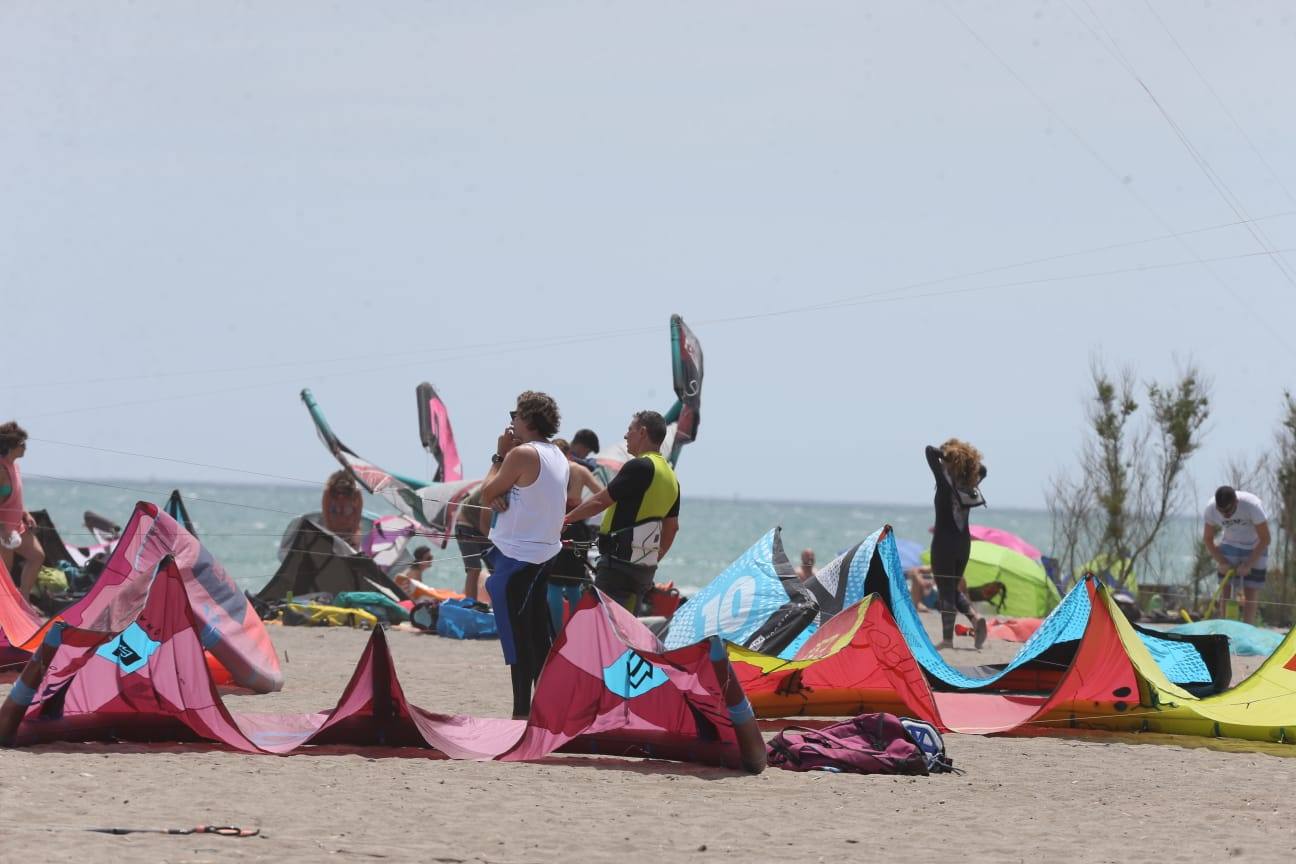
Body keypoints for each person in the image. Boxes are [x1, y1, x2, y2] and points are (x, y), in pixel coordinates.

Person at [480, 391, 568, 719]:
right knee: (536, 634)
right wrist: (502, 494)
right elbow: (511, 494)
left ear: (528, 420)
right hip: (544, 555)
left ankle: (521, 713)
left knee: (518, 640)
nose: (511, 420)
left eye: (515, 414)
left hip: (517, 558)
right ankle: (544, 709)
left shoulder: (520, 454)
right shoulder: (558, 454)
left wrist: (498, 456)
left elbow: (487, 491)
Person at [564, 411, 680, 615]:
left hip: (617, 566)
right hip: (643, 570)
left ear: (643, 432)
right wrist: (652, 559)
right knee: (626, 627)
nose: (626, 436)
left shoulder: (639, 466)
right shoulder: (672, 478)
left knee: (603, 625)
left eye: (630, 430)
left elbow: (600, 500)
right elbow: (672, 528)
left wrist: (565, 519)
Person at [926, 440, 987, 650]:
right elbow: (983, 469)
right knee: (951, 587)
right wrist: (965, 460)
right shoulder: (969, 485)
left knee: (945, 588)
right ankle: (975, 618)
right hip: (963, 543)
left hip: (944, 542)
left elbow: (929, 451)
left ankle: (947, 639)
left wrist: (948, 454)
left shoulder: (945, 481)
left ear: (951, 460)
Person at [543, 438, 605, 633]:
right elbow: (602, 494)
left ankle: (557, 632)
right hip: (576, 528)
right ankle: (576, 633)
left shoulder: (547, 472)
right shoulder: (579, 470)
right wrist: (584, 506)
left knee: (554, 583)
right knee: (573, 583)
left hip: (554, 527)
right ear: (570, 454)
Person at [1203, 485, 1270, 625]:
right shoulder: (1210, 509)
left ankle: (1248, 628)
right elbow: (1208, 539)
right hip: (1229, 546)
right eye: (1222, 512)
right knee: (1225, 588)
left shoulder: (1252, 505)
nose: (1226, 515)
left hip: (1255, 545)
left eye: (1229, 511)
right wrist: (1221, 561)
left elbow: (1265, 538)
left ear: (1236, 503)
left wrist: (1249, 564)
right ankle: (1224, 627)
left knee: (1250, 590)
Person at [0, 422, 43, 600]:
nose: (25, 447)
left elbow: (14, 495)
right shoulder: (1, 470)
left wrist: (25, 513)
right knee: (5, 575)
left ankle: (23, 601)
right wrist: (3, 529)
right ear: (12, 446)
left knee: (37, 556)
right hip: (4, 529)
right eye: (22, 444)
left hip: (17, 525)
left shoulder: (14, 466)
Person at [453, 486, 492, 602]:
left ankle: (498, 605)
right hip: (466, 525)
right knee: (474, 569)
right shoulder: (496, 485)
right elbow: (484, 523)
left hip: (483, 529)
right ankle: (471, 605)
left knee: (497, 571)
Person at [321, 470, 364, 550]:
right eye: (338, 492)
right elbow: (326, 517)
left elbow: (357, 518)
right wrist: (332, 536)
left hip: (351, 532)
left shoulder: (356, 494)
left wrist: (351, 536)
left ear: (350, 490)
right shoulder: (328, 493)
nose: (341, 496)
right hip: (332, 532)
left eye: (345, 492)